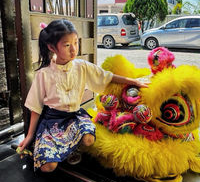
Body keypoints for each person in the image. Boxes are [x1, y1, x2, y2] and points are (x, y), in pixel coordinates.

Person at [18, 19, 148, 173]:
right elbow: (36, 107)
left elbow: (107, 76)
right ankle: (64, 149)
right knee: (47, 167)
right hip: (52, 121)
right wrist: (30, 136)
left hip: (75, 117)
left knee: (88, 139)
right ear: (52, 47)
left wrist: (134, 81)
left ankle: (72, 149)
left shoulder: (82, 66)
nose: (74, 49)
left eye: (76, 42)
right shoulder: (43, 74)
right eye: (67, 45)